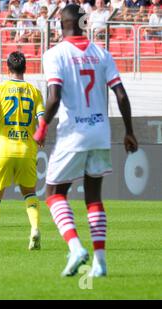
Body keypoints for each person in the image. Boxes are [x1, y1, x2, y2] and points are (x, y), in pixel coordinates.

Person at [33, 4, 138, 277]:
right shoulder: (102, 53)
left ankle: (76, 247)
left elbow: (54, 97)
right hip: (100, 131)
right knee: (93, 197)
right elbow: (121, 94)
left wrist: (42, 126)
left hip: (73, 133)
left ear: (60, 25)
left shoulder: (55, 54)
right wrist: (129, 131)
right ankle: (100, 262)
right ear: (84, 23)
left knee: (53, 193)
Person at [0, 51, 45, 252]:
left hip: (3, 149)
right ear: (25, 68)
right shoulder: (34, 91)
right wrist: (42, 136)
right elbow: (42, 120)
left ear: (7, 68)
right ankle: (34, 228)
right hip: (26, 149)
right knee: (30, 192)